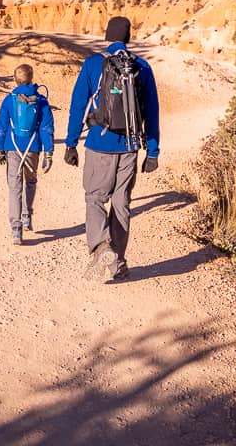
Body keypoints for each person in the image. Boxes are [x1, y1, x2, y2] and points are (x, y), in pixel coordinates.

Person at [64, 16, 160, 282]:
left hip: (99, 144)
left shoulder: (94, 64)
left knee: (95, 198)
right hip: (129, 147)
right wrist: (152, 151)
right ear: (128, 38)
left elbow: (77, 106)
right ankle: (118, 263)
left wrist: (71, 142)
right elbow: (152, 112)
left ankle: (102, 246)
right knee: (121, 203)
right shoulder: (142, 67)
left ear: (107, 36)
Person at [0, 64, 55, 245]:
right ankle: (27, 214)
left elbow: (1, 127)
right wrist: (49, 152)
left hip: (13, 147)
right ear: (31, 78)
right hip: (33, 148)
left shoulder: (9, 99)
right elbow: (46, 128)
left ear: (15, 79)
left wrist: (0, 149)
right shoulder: (41, 100)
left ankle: (16, 228)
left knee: (14, 187)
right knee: (31, 180)